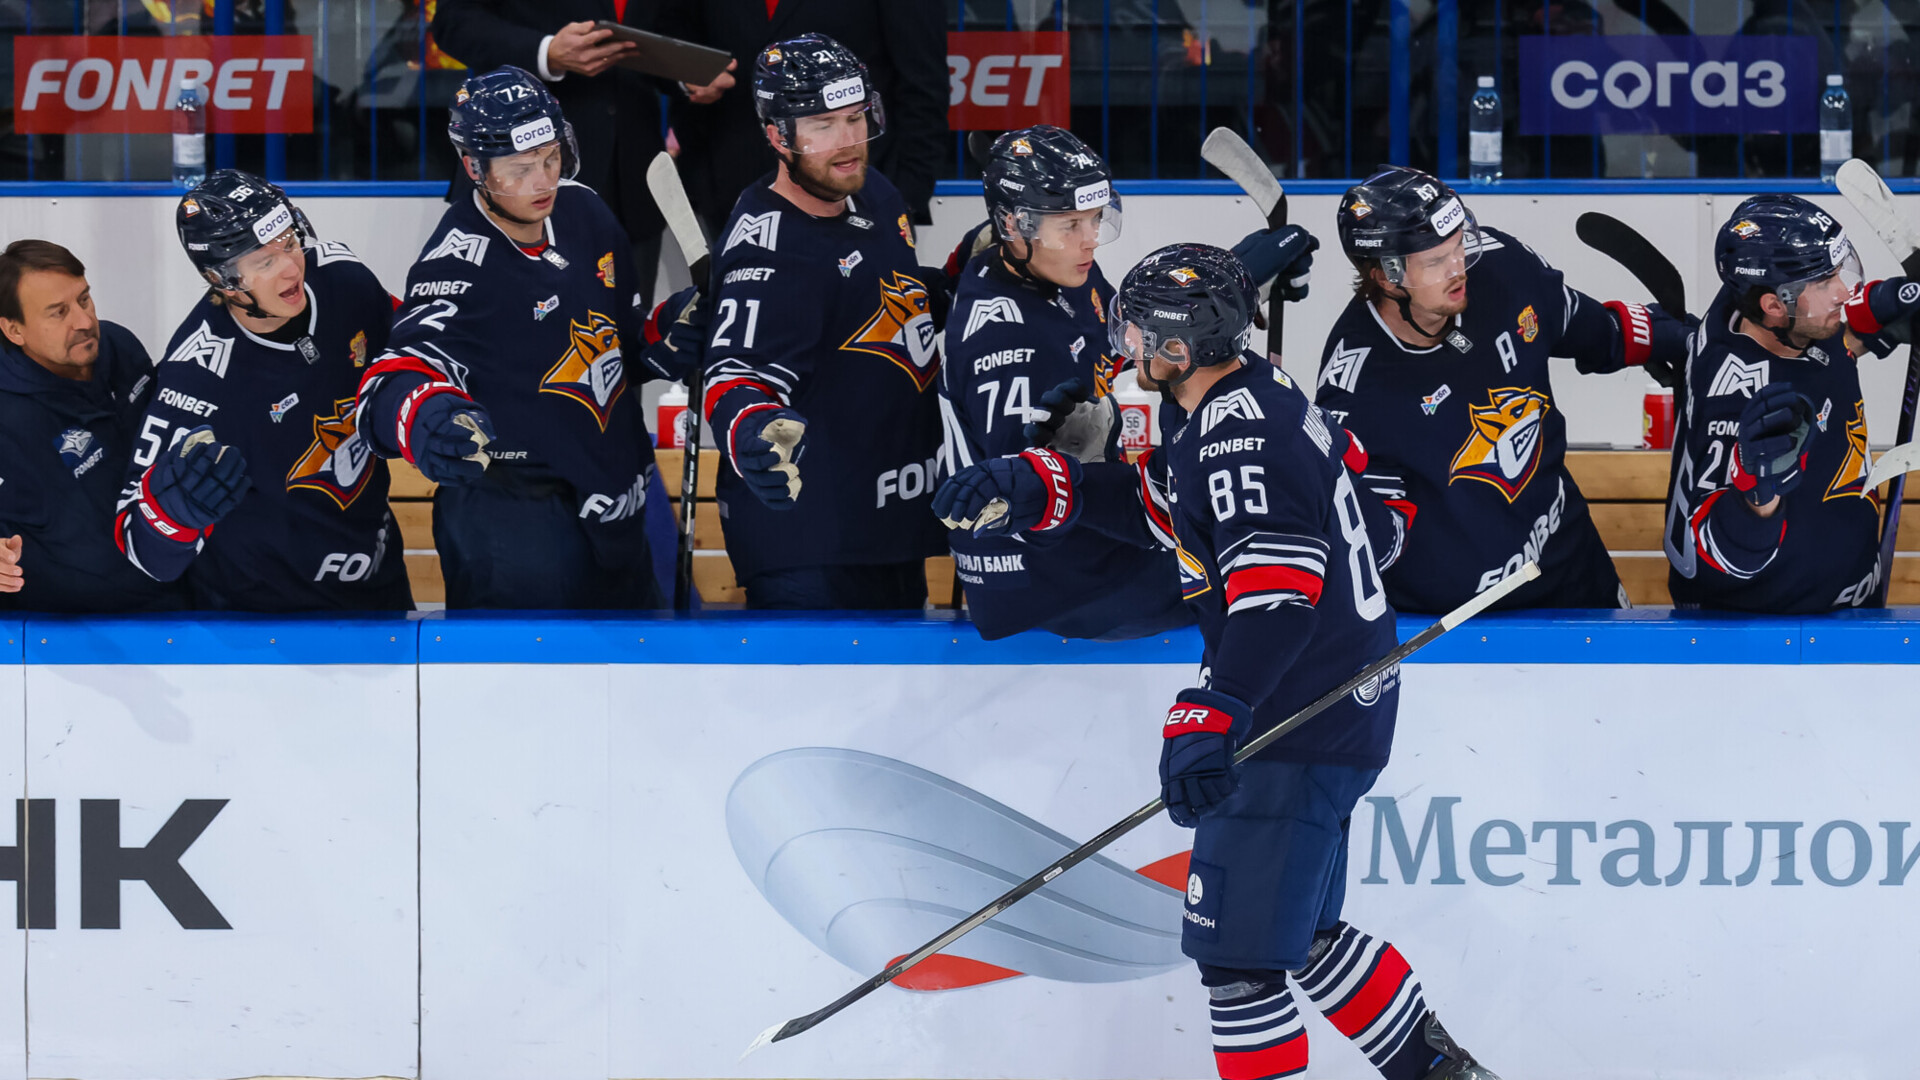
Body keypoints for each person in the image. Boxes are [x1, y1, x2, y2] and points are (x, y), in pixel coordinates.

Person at [1110, 242, 1498, 1080]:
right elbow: (1208, 507)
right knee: (1304, 935)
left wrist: (1222, 703)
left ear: (1179, 345)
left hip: (1291, 719)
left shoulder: (1237, 431)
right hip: (1331, 710)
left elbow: (1276, 594)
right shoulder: (1255, 395)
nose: (1128, 343)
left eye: (1140, 330)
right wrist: (1048, 488)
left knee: (1239, 963)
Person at [928, 124, 1316, 640]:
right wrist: (1070, 470)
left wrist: (1233, 286)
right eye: (1070, 224)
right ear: (1013, 225)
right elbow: (1014, 505)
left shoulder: (1054, 268)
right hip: (1050, 586)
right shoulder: (1004, 341)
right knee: (1270, 567)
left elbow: (1134, 340)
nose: (1089, 239)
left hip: (1083, 548)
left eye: (1095, 218)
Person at [355, 66, 703, 609]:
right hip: (513, 520)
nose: (543, 182)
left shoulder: (585, 211)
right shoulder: (456, 265)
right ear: (474, 167)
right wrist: (425, 419)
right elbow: (396, 373)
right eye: (519, 169)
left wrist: (666, 331)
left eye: (550, 157)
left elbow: (618, 342)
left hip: (613, 502)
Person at [1315, 166, 1693, 613]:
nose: (1458, 269)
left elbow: (1586, 325)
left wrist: (1674, 338)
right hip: (1460, 621)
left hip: (1571, 568)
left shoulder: (1503, 269)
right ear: (1385, 276)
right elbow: (1374, 540)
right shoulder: (1356, 387)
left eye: (1459, 245)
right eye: (1435, 262)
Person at [698, 34, 944, 610]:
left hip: (888, 526)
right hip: (811, 547)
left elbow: (884, 301)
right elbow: (735, 376)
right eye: (824, 125)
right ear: (777, 136)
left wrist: (961, 276)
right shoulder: (767, 246)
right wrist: (755, 431)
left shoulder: (875, 194)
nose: (849, 141)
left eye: (856, 118)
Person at [115, 171, 410, 611]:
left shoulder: (343, 278)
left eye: (288, 242)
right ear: (222, 279)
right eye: (264, 261)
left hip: (380, 585)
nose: (291, 267)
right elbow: (140, 545)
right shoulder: (197, 376)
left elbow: (414, 353)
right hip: (262, 619)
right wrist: (174, 514)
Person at [1665, 194, 1920, 611]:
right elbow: (1708, 554)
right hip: (1771, 631)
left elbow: (1833, 345)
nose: (1844, 292)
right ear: (1773, 306)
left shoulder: (1779, 318)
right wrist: (1755, 495)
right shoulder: (1737, 398)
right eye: (1825, 282)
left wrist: (1888, 309)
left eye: (1839, 272)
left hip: (1848, 606)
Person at [429, 0, 729, 312]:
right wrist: (544, 52)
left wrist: (684, 74)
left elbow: (652, 31)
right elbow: (454, 21)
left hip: (633, 178)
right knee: (509, 326)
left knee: (628, 331)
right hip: (520, 174)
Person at [0, 240, 184, 612]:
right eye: (58, 313)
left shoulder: (117, 345)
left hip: (179, 596)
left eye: (84, 299)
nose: (85, 322)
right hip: (70, 630)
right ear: (14, 330)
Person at [658, 0, 947, 233]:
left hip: (859, 196)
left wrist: (905, 196)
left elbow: (924, 85)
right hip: (730, 188)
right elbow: (668, 36)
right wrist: (686, 80)